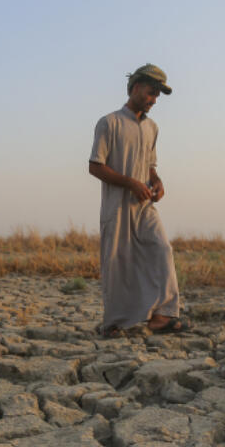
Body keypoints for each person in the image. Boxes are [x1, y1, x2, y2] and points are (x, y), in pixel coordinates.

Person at [87, 63, 183, 337]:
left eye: (157, 96)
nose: (153, 100)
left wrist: (156, 180)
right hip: (116, 205)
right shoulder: (110, 122)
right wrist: (130, 183)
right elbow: (95, 166)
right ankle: (115, 324)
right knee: (118, 262)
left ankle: (163, 315)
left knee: (161, 249)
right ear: (136, 88)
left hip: (144, 206)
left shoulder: (152, 128)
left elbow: (150, 164)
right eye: (151, 93)